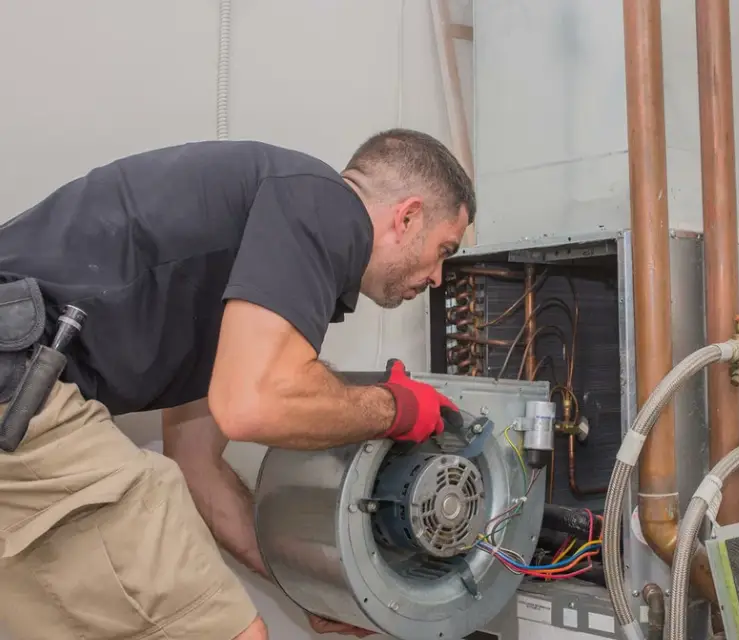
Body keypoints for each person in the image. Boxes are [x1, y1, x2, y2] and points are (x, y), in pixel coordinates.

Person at [0, 128, 476, 640]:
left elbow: (198, 468)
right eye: (444, 249)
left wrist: (303, 587)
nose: (438, 277)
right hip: (22, 385)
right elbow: (253, 405)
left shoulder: (250, 263)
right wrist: (398, 409)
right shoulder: (325, 204)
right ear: (406, 217)